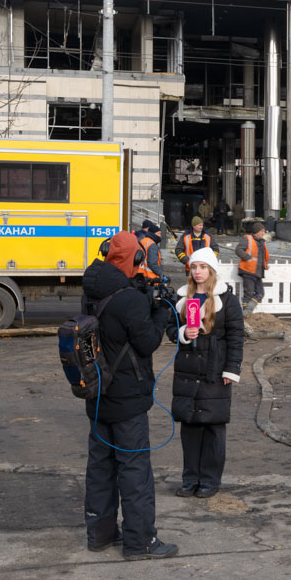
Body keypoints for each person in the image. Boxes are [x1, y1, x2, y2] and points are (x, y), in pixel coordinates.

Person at [79, 231, 179, 559]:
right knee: (134, 469)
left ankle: (100, 535)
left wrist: (141, 297)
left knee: (100, 466)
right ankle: (140, 542)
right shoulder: (130, 299)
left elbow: (114, 323)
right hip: (127, 398)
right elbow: (147, 341)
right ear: (136, 259)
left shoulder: (93, 292)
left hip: (97, 395)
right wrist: (161, 309)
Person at [167, 247, 244, 498]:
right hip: (188, 371)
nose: (197, 272)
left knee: (212, 428)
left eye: (202, 267)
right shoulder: (182, 298)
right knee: (190, 427)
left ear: (211, 270)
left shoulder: (228, 300)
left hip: (214, 370)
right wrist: (181, 334)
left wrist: (231, 370)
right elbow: (169, 327)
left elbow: (236, 337)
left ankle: (210, 481)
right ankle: (190, 479)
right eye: (194, 267)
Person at [233, 217, 269, 306]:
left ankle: (247, 312)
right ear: (257, 231)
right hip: (248, 271)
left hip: (257, 272)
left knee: (260, 293)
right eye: (262, 231)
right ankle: (244, 313)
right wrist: (247, 257)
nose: (264, 233)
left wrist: (264, 264)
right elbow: (238, 250)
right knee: (248, 294)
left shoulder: (261, 242)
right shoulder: (247, 239)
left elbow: (261, 256)